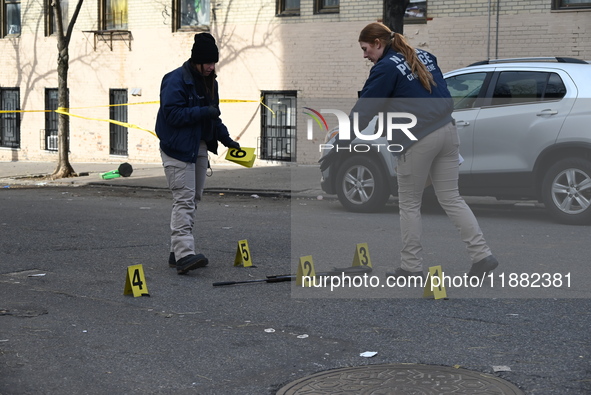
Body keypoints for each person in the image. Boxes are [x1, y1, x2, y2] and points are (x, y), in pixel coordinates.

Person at [349, 22, 498, 280]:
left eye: (365, 49)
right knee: (452, 198)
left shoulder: (385, 68)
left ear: (377, 43)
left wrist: (344, 137)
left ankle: (410, 267)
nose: (364, 55)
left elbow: (366, 107)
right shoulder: (424, 55)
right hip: (448, 131)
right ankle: (482, 255)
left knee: (409, 204)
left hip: (417, 139)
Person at [155, 33, 240, 275]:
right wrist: (203, 112)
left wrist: (228, 141)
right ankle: (184, 255)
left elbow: (214, 116)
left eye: (214, 62)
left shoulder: (211, 82)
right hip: (177, 147)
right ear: (196, 61)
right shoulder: (176, 80)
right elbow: (172, 115)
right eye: (208, 63)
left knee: (193, 198)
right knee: (184, 198)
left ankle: (176, 251)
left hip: (199, 145)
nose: (212, 67)